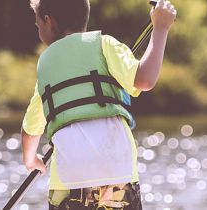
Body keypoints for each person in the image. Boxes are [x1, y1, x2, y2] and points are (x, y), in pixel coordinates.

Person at [20, 0, 176, 209]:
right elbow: (145, 79)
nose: (38, 29)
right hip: (116, 174)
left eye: (37, 24)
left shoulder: (45, 66)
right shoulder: (104, 44)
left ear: (49, 22)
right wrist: (160, 28)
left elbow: (30, 130)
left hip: (68, 179)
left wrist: (31, 160)